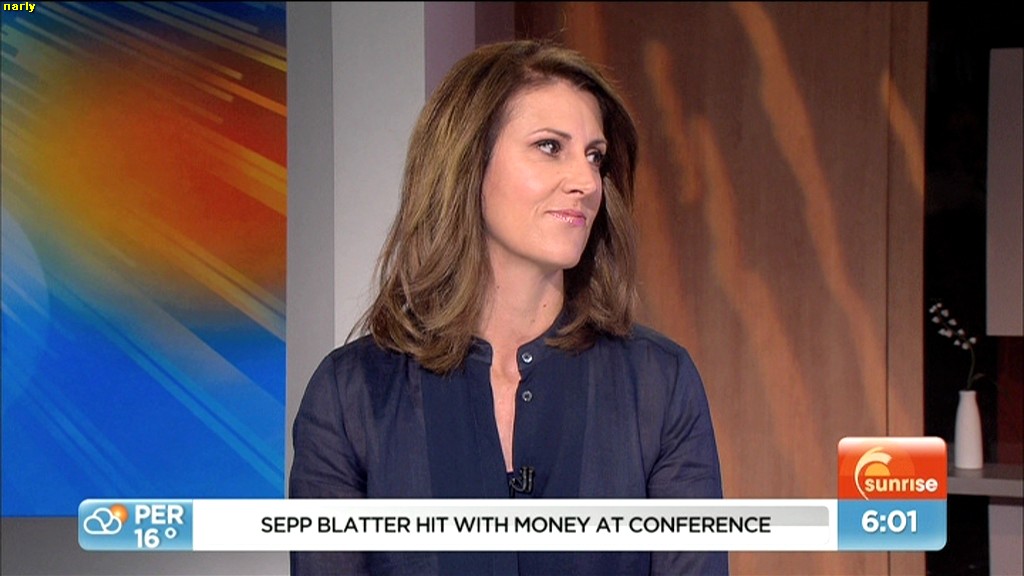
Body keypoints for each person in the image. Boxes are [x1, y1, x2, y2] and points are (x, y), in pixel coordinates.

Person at [290, 39, 728, 575]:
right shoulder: (351, 396)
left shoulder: (659, 385)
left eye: (595, 156)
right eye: (550, 147)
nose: (586, 182)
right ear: (468, 164)